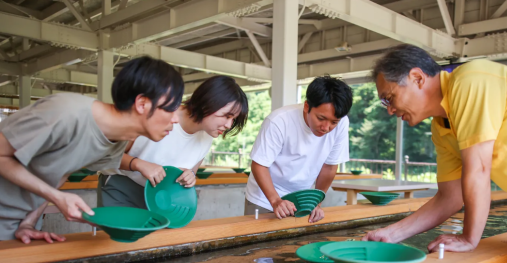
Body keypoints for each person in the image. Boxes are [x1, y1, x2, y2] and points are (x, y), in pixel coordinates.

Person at [362, 44, 507, 263]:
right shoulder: (442, 128)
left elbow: (479, 169)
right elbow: (449, 198)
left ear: (417, 78)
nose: (390, 110)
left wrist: (468, 239)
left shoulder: (471, 80)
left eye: (389, 98)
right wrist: (390, 234)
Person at [0, 56, 184, 244]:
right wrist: (56, 197)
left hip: (20, 224)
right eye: (170, 109)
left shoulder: (116, 141)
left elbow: (61, 173)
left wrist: (28, 223)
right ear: (142, 104)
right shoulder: (65, 112)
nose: (176, 119)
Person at [98, 75, 248, 209]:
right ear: (208, 103)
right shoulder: (160, 113)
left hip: (160, 197)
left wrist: (189, 177)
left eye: (233, 120)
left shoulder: (208, 136)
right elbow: (104, 153)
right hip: (121, 188)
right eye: (226, 116)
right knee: (118, 240)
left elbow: (191, 172)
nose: (229, 125)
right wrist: (139, 164)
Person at [245, 76, 352, 223]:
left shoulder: (342, 124)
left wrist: (316, 202)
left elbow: (329, 167)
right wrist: (276, 201)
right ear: (307, 106)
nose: (326, 128)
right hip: (264, 198)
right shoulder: (279, 121)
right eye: (321, 118)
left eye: (334, 122)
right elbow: (259, 165)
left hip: (303, 200)